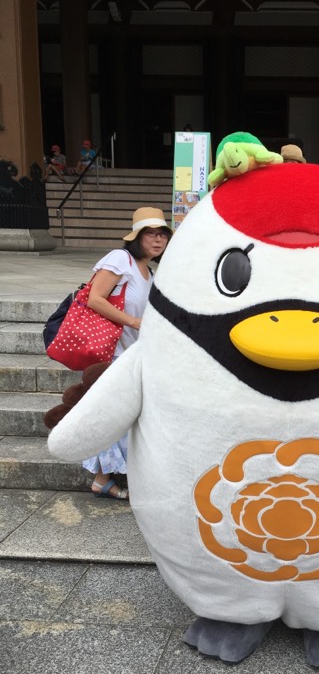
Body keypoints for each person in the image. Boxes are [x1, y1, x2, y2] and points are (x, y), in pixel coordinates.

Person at [84, 207, 172, 499]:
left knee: (129, 417)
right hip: (114, 355)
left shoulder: (150, 270)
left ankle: (107, 477)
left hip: (134, 356)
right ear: (137, 237)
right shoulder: (120, 259)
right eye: (151, 234)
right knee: (119, 416)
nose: (158, 240)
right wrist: (134, 322)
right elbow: (95, 299)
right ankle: (102, 478)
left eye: (162, 235)